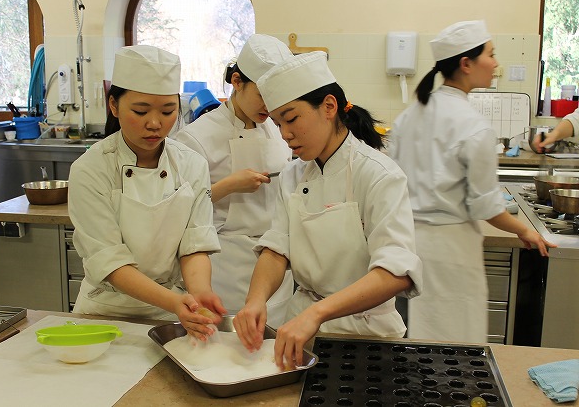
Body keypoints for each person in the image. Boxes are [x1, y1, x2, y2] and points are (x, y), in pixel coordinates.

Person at [232, 51, 423, 370]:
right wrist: (255, 301)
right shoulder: (293, 175)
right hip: (301, 333)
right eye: (278, 123)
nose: (285, 134)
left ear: (329, 107)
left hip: (366, 336)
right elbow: (277, 248)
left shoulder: (378, 174)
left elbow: (396, 273)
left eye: (292, 119)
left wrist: (318, 313)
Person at [388, 20, 556, 344]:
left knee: (409, 342)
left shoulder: (410, 115)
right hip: (448, 251)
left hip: (403, 244)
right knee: (449, 346)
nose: (496, 63)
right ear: (466, 64)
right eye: (490, 55)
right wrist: (525, 230)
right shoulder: (473, 125)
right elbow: (486, 208)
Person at [68, 45, 225, 341]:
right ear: (114, 106)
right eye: (140, 111)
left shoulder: (191, 164)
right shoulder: (90, 169)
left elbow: (194, 245)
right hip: (105, 311)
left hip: (169, 314)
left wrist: (200, 293)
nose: (155, 124)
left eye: (168, 111)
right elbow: (109, 261)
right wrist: (175, 302)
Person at [174, 34, 294, 327]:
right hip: (224, 266)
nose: (269, 107)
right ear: (237, 82)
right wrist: (228, 186)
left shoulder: (278, 130)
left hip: (274, 262)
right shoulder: (196, 137)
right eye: (263, 95)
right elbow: (178, 208)